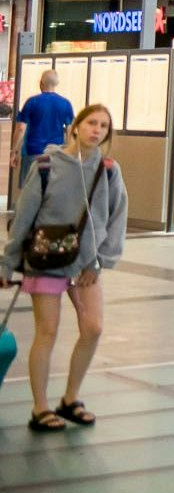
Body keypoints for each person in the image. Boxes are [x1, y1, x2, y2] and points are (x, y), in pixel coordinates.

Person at [1, 103, 126, 434]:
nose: (96, 130)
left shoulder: (109, 170)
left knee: (93, 328)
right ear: (75, 127)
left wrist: (101, 260)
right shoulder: (46, 165)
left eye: (103, 126)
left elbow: (117, 219)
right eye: (91, 123)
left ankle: (70, 398)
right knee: (47, 332)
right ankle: (40, 408)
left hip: (86, 265)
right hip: (46, 261)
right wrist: (8, 263)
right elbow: (24, 217)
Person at [16, 71, 73, 187]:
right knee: (51, 191)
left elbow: (21, 129)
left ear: (41, 83)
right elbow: (70, 131)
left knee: (30, 191)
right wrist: (69, 154)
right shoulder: (65, 104)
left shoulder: (32, 102)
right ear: (56, 84)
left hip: (32, 153)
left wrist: (14, 151)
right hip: (56, 154)